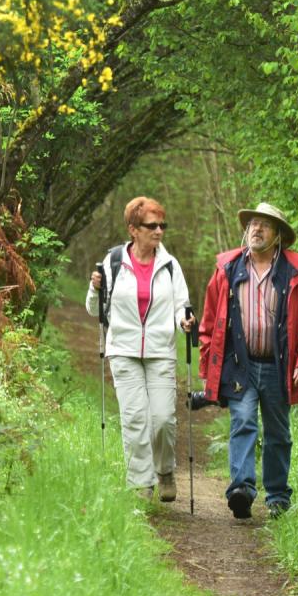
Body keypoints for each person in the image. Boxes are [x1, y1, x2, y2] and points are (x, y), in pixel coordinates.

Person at [198, 202, 298, 519]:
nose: (256, 229)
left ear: (278, 235)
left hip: (278, 366)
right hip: (239, 364)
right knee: (242, 422)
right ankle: (241, 490)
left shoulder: (297, 273)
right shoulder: (227, 269)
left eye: (265, 225)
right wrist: (209, 369)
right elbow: (210, 322)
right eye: (253, 223)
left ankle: (278, 498)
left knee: (278, 433)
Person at [86, 196, 195, 501]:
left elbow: (180, 306)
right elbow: (94, 308)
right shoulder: (113, 262)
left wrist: (184, 321)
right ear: (133, 229)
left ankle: (164, 471)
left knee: (162, 420)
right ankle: (140, 484)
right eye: (151, 225)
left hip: (160, 349)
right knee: (134, 417)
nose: (159, 231)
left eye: (162, 225)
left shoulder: (171, 265)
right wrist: (95, 288)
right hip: (123, 348)